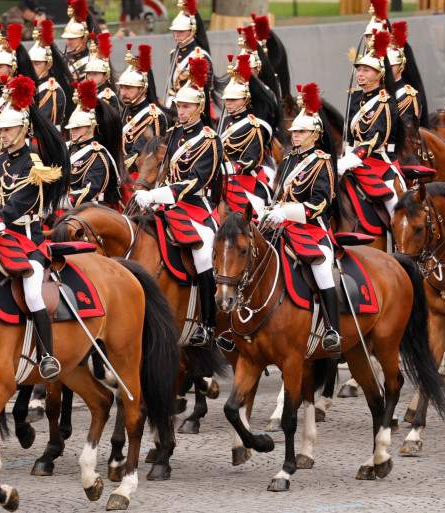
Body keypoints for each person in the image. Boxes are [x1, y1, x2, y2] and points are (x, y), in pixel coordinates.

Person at [0, 75, 70, 381]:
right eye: (1, 129)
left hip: (28, 241)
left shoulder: (33, 163)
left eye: (8, 129)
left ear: (23, 129)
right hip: (1, 236)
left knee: (33, 293)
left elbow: (17, 207)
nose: (3, 134)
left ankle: (47, 355)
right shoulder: (0, 160)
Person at [133, 57, 222, 346]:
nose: (180, 111)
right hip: (169, 207)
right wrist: (150, 194)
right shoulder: (172, 135)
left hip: (197, 208)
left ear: (198, 108)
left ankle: (209, 324)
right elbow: (165, 170)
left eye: (185, 107)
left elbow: (197, 180)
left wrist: (159, 194)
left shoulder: (210, 140)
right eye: (178, 107)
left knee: (203, 255)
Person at [262, 83, 341, 354]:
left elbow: (320, 203)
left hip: (312, 230)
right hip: (282, 227)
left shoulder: (322, 162)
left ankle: (332, 329)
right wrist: (269, 211)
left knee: (321, 270)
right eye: (294, 131)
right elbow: (277, 196)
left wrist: (286, 212)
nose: (295, 136)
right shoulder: (287, 161)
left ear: (316, 135)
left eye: (302, 131)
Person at [337, 30, 404, 220]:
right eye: (359, 69)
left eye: (366, 70)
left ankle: (400, 243)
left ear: (379, 74)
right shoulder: (355, 97)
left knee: (395, 206)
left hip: (379, 162)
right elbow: (349, 135)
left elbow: (373, 140)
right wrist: (343, 157)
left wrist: (349, 160)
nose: (360, 74)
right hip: (353, 160)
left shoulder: (386, 102)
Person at [219, 53, 277, 218]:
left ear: (245, 100)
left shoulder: (253, 125)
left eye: (233, 100)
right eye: (227, 100)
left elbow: (250, 160)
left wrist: (226, 169)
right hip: (222, 178)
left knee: (256, 214)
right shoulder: (224, 122)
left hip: (245, 178)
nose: (228, 103)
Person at [117, 43, 168, 194]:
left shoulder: (153, 115)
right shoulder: (126, 109)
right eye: (122, 88)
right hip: (122, 169)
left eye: (129, 88)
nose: (124, 92)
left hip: (139, 174)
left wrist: (118, 168)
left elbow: (147, 153)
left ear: (142, 89)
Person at [64, 79, 121, 208]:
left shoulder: (97, 155)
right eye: (71, 128)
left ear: (91, 127)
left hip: (87, 210)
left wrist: (60, 202)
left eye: (77, 128)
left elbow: (88, 191)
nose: (73, 132)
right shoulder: (68, 147)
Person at [166, 0, 214, 109]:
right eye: (175, 31)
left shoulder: (200, 56)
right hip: (174, 104)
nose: (177, 35)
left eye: (181, 31)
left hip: (193, 107)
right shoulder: (174, 53)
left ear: (191, 31)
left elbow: (204, 91)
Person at [28, 19, 70, 129]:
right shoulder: (30, 86)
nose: (32, 68)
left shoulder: (52, 90)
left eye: (37, 64)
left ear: (48, 64)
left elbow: (41, 123)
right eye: (30, 64)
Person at [83, 32, 121, 110]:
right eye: (89, 73)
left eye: (95, 74)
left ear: (105, 76)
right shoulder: (88, 93)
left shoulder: (107, 96)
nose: (91, 77)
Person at [61, 0, 96, 82]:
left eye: (72, 39)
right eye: (67, 39)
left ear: (84, 39)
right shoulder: (63, 58)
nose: (68, 42)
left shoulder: (92, 60)